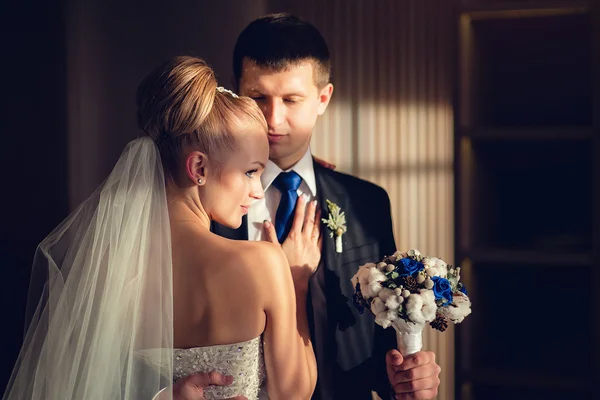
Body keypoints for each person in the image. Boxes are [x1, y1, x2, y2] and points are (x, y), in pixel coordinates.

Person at [2, 56, 318, 400]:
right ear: (199, 167)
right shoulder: (263, 264)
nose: (258, 189)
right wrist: (296, 282)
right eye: (251, 171)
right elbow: (292, 393)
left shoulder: (104, 269)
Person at [209, 13, 442, 400]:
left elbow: (375, 341)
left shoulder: (367, 203)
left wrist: (408, 379)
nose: (272, 118)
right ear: (236, 93)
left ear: (323, 99)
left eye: (291, 100)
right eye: (258, 98)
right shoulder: (204, 200)